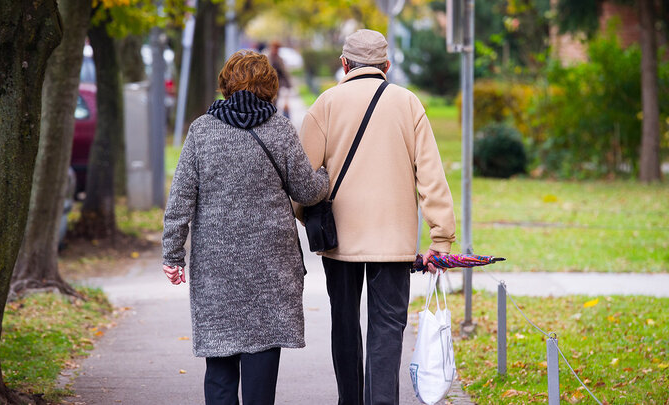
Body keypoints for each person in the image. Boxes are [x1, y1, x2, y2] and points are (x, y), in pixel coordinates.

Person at [297, 29, 456, 405]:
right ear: (387, 65)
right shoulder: (408, 103)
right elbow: (430, 176)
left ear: (344, 64)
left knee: (346, 327)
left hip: (340, 241)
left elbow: (300, 179)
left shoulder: (326, 104)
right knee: (387, 329)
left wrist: (310, 218)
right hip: (394, 242)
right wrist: (441, 238)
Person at [161, 50, 329, 405]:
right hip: (271, 268)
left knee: (220, 372)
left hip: (217, 269)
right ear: (269, 87)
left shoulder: (202, 131)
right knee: (261, 371)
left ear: (226, 85)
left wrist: (173, 255)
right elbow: (307, 192)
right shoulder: (280, 129)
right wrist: (326, 176)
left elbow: (179, 202)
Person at [267, 41, 292, 117]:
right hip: (268, 85)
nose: (276, 50)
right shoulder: (267, 58)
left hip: (278, 85)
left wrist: (289, 85)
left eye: (277, 48)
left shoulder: (279, 59)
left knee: (276, 102)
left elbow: (284, 72)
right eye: (275, 48)